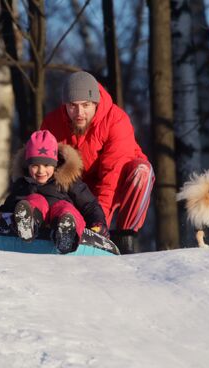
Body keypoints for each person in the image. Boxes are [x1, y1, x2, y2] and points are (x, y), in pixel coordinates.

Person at [40, 71, 154, 254]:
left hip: (117, 183)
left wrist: (100, 225)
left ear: (96, 103)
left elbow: (112, 175)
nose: (79, 113)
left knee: (142, 171)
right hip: (79, 186)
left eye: (86, 105)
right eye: (73, 106)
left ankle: (125, 237)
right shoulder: (52, 123)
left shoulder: (117, 120)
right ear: (65, 105)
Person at [0, 130, 108, 253]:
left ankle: (67, 231)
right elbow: (8, 207)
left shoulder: (67, 181)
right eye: (34, 165)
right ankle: (27, 222)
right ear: (27, 165)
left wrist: (98, 223)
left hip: (61, 215)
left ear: (55, 164)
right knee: (33, 201)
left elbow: (90, 205)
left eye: (46, 165)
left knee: (65, 207)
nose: (40, 171)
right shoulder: (23, 184)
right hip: (36, 217)